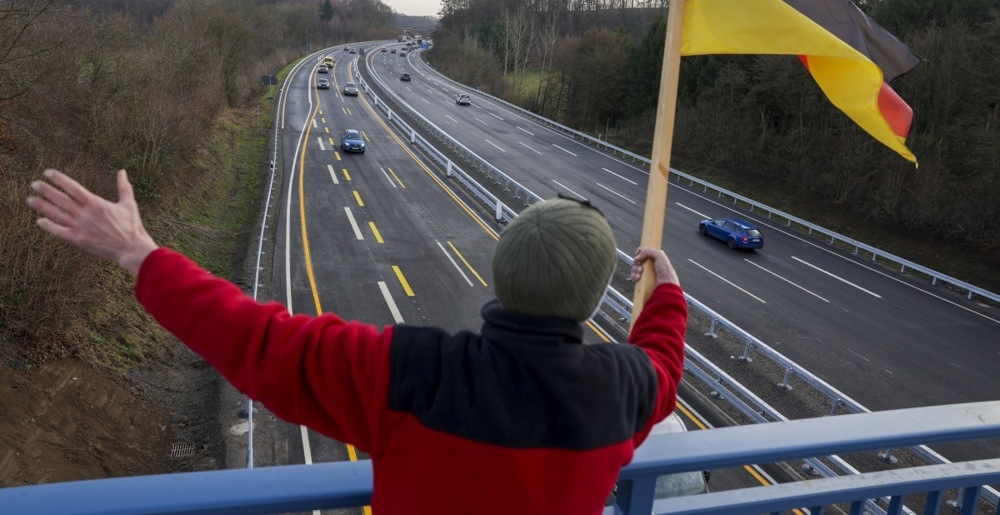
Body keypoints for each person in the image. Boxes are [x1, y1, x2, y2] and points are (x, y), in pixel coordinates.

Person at [27, 169, 688, 515]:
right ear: (593, 296)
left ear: (502, 273)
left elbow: (256, 339)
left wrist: (138, 253)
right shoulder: (618, 389)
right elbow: (662, 364)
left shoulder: (414, 372)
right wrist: (666, 294)